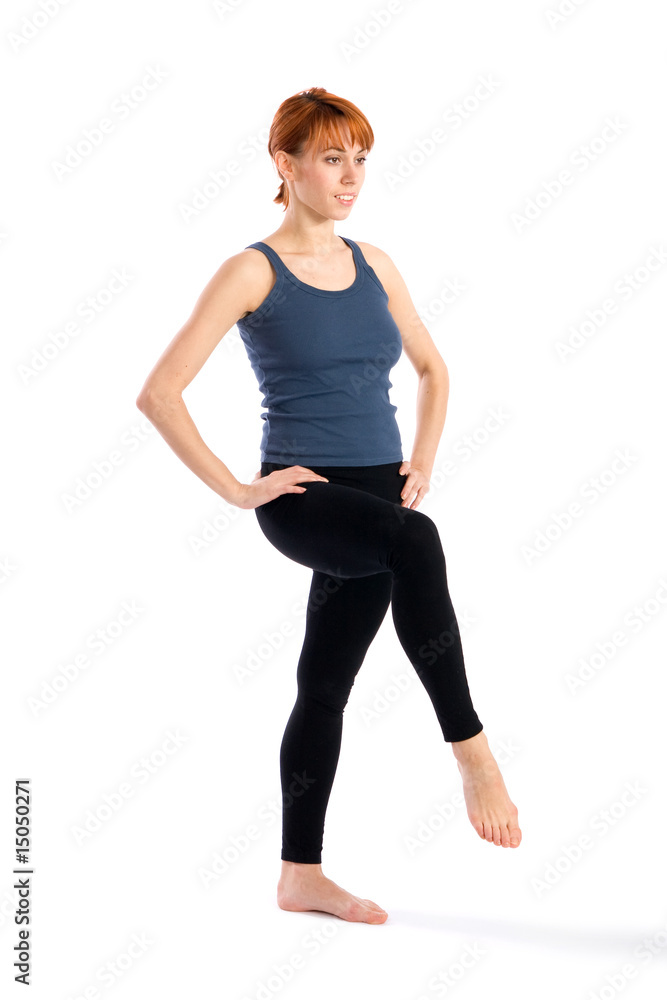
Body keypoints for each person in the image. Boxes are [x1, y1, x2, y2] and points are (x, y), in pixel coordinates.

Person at [136, 86, 521, 925]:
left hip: (378, 492)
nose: (350, 177)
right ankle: (472, 751)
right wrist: (240, 489)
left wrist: (420, 456)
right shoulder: (250, 269)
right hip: (305, 497)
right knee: (416, 543)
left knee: (324, 683)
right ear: (286, 164)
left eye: (359, 159)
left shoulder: (375, 262)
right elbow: (159, 393)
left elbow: (433, 368)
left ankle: (298, 876)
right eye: (330, 158)